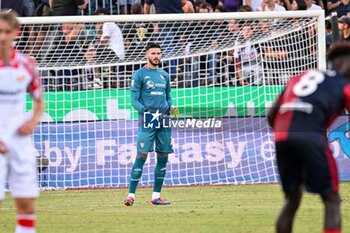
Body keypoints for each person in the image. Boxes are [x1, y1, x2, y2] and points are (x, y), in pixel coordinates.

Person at [267, 42, 350, 233]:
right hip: (311, 136)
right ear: (345, 62)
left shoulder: (299, 77)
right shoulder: (343, 84)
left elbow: (272, 113)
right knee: (331, 199)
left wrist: (287, 134)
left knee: (292, 199)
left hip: (281, 137)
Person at [0, 10, 44, 233]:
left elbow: (38, 100)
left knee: (26, 204)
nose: (2, 37)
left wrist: (33, 122)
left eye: (7, 32)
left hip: (19, 142)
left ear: (16, 32)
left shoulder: (27, 64)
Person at [124, 42, 177, 206]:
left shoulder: (165, 75)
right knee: (141, 155)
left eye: (159, 53)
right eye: (153, 53)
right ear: (147, 54)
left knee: (163, 156)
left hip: (164, 120)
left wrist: (172, 108)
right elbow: (134, 100)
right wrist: (146, 112)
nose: (156, 56)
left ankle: (156, 196)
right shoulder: (139, 74)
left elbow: (168, 97)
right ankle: (131, 195)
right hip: (148, 120)